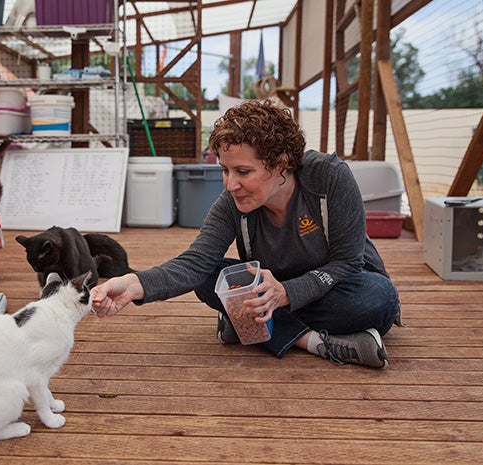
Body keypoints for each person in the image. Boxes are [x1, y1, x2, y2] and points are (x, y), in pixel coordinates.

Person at [92, 99, 401, 369]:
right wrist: (135, 284)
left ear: (280, 164)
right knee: (208, 277)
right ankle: (312, 341)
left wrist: (287, 293)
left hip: (335, 285)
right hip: (269, 293)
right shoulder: (233, 201)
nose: (230, 184)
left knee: (379, 298)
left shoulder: (329, 177)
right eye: (225, 170)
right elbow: (196, 262)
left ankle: (247, 324)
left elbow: (347, 262)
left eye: (243, 172)